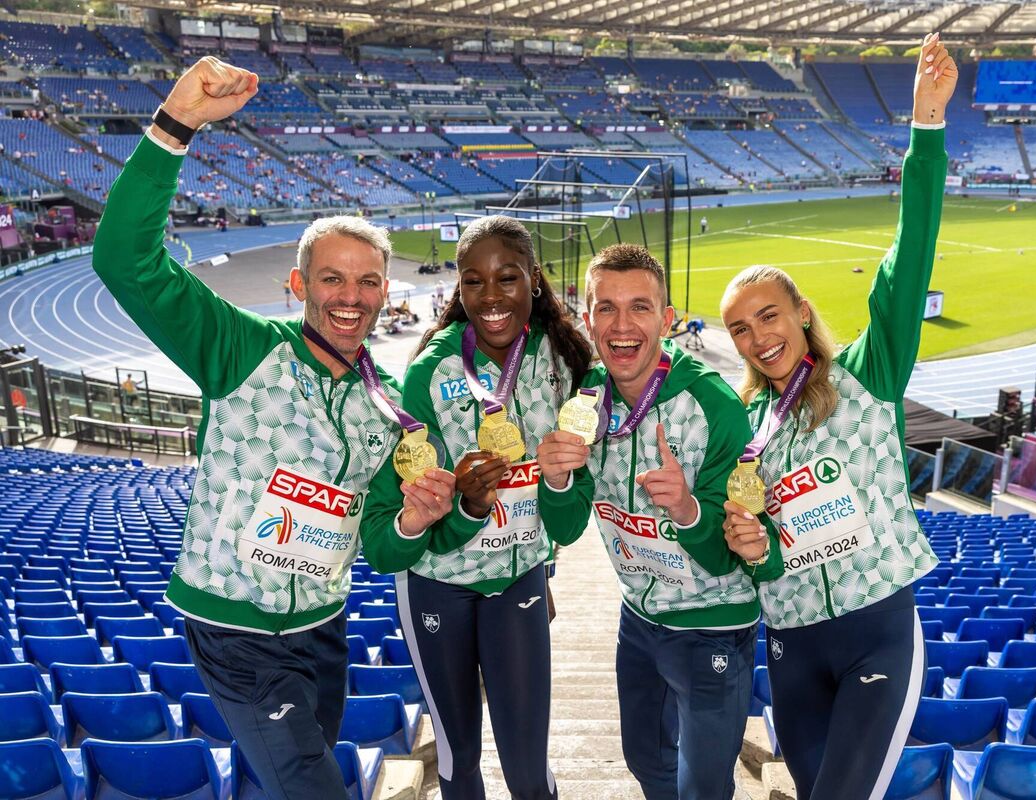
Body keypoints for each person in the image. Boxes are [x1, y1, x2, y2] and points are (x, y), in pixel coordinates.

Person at [90, 56, 457, 800]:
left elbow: (381, 541)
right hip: (234, 632)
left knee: (289, 778)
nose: (350, 297)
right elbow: (124, 261)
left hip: (322, 631)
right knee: (311, 786)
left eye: (366, 281)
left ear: (387, 291)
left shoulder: (386, 408)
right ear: (299, 285)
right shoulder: (240, 348)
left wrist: (415, 518)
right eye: (331, 278)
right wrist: (174, 125)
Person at [717, 33, 954, 800]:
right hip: (788, 644)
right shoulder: (746, 426)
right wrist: (748, 543)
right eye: (741, 329)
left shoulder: (869, 374)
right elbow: (759, 552)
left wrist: (924, 129)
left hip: (875, 627)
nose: (760, 337)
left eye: (769, 316)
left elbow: (909, 254)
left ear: (801, 311)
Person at [360, 216, 592, 800]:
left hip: (519, 580)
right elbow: (412, 523)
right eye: (473, 281)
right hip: (439, 584)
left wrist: (554, 512)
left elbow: (567, 518)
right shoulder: (429, 371)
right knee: (458, 755)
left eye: (507, 278)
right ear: (458, 289)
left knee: (525, 760)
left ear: (533, 281)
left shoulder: (563, 363)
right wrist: (465, 505)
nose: (490, 297)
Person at [536, 244, 757, 800]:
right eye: (605, 308)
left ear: (665, 317)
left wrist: (687, 509)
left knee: (704, 786)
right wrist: (558, 480)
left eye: (639, 307)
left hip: (713, 621)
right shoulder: (585, 398)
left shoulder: (712, 404)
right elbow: (564, 530)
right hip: (638, 619)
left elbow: (729, 552)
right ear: (587, 319)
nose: (622, 324)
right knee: (646, 762)